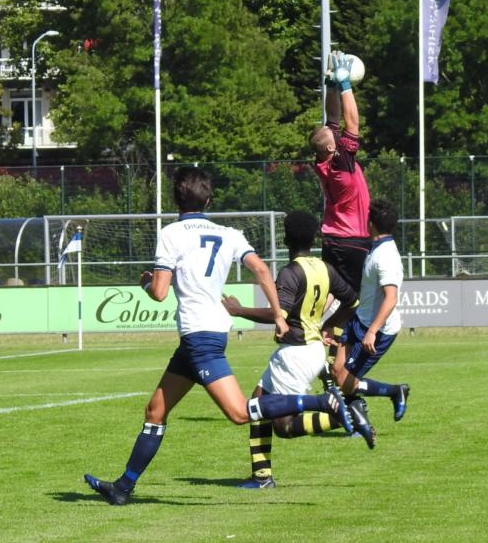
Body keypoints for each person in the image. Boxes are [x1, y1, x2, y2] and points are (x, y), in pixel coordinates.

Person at [83, 167, 352, 505]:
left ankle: (320, 402)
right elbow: (262, 269)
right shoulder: (230, 233)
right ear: (208, 199)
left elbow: (160, 292)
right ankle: (122, 488)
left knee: (240, 413)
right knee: (155, 411)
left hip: (200, 338)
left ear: (175, 200)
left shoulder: (171, 233)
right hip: (202, 337)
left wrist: (146, 282)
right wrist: (279, 316)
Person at [222, 210, 371, 490]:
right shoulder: (324, 268)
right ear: (314, 237)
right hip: (310, 348)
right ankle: (262, 476)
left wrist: (238, 310)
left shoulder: (291, 272)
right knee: (258, 399)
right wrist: (329, 325)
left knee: (285, 427)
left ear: (286, 238)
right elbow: (352, 303)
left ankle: (343, 417)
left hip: (296, 353)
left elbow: (280, 313)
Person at [332, 197, 410, 421]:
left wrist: (372, 331)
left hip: (378, 329)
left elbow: (391, 297)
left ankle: (393, 393)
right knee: (338, 371)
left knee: (346, 381)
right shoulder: (375, 248)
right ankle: (365, 414)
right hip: (360, 320)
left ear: (371, 223)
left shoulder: (386, 256)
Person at [309, 51, 372, 295]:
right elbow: (353, 123)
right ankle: (335, 333)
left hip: (333, 237)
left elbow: (333, 117)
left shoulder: (325, 159)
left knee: (332, 297)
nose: (335, 131)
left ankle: (323, 331)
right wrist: (345, 84)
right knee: (352, 299)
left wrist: (331, 84)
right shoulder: (341, 165)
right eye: (334, 134)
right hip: (352, 240)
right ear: (331, 147)